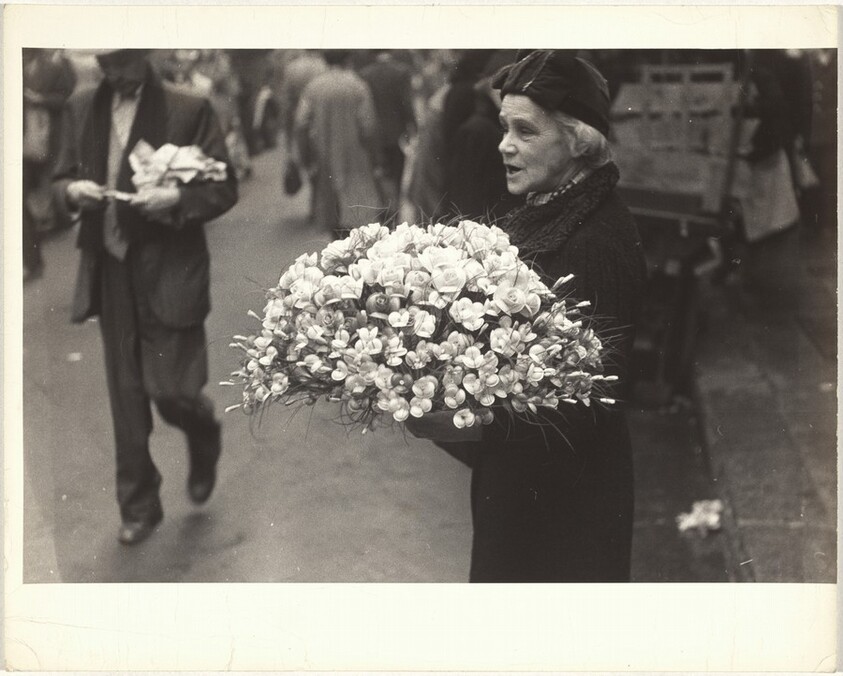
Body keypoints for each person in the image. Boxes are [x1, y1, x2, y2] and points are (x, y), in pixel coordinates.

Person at [406, 51, 647, 582]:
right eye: (504, 127)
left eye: (525, 132)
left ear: (577, 141)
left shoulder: (593, 241)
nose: (504, 146)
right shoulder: (552, 209)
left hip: (564, 512)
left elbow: (578, 410)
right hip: (526, 494)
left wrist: (456, 424)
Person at [52, 49, 238, 545]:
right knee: (126, 395)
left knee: (171, 390)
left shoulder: (189, 107)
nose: (116, 73)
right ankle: (138, 503)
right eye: (107, 62)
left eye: (126, 60)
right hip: (110, 268)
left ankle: (201, 430)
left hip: (170, 266)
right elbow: (56, 181)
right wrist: (72, 192)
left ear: (146, 51)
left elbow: (224, 186)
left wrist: (177, 197)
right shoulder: (81, 104)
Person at [294, 50, 383, 239]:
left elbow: (301, 124)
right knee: (357, 221)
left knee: (332, 218)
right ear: (348, 60)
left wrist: (306, 157)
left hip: (325, 159)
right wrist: (375, 159)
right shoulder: (358, 86)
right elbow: (368, 126)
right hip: (356, 160)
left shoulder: (313, 88)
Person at [22, 48, 77, 280]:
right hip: (25, 136)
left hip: (47, 133)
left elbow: (66, 98)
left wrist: (38, 99)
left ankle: (53, 219)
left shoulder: (55, 66)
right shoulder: (19, 63)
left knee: (46, 180)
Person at [359, 50, 417, 217]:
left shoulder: (365, 74)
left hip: (374, 135)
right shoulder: (402, 72)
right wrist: (413, 126)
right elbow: (407, 103)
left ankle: (383, 208)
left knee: (379, 173)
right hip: (396, 133)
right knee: (397, 173)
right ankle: (395, 211)